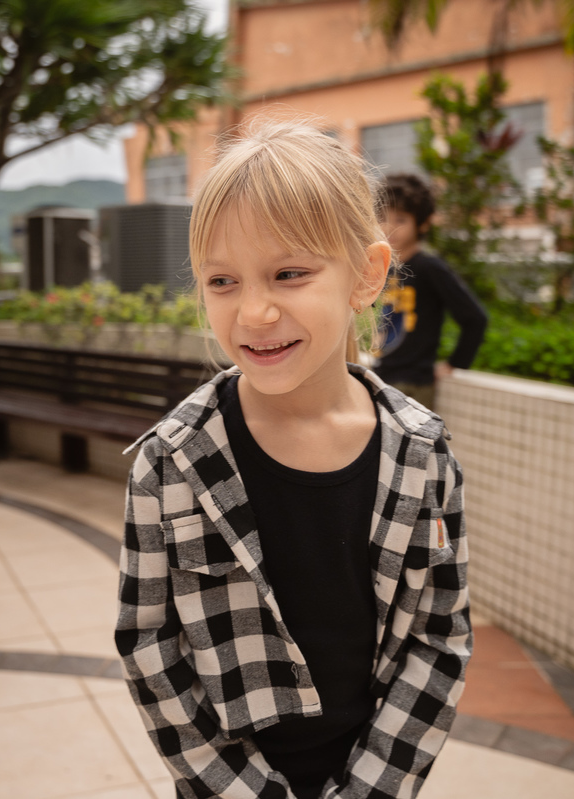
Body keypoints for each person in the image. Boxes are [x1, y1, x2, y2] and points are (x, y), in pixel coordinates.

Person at [114, 121, 471, 799]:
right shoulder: (169, 462)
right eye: (223, 280)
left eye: (289, 273)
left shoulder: (423, 454)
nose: (254, 311)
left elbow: (438, 637)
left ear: (366, 274)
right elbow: (149, 644)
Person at [373, 173, 488, 411]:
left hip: (413, 385)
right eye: (383, 217)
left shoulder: (429, 267)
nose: (389, 227)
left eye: (401, 219)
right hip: (382, 375)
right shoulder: (386, 268)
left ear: (423, 224)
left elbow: (475, 318)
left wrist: (455, 363)